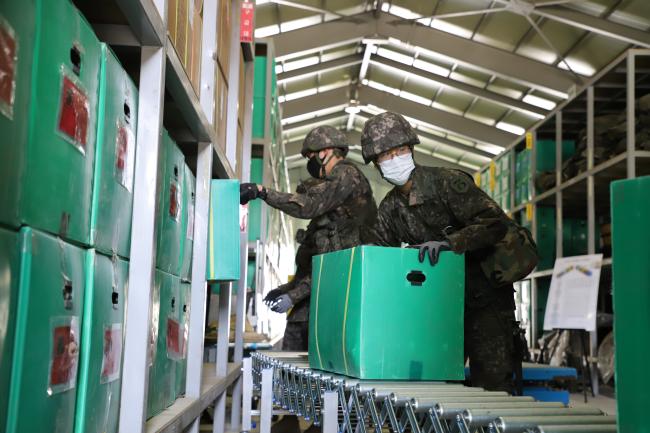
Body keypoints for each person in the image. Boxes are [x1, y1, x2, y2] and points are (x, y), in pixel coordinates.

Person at [360, 112, 538, 393]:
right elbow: (379, 256)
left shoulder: (446, 182)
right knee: (435, 383)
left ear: (412, 150)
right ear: (376, 165)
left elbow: (494, 224)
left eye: (400, 150)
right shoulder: (390, 208)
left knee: (492, 386)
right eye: (385, 155)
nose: (395, 158)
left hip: (485, 300)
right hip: (437, 307)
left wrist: (450, 244)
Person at [240, 125, 377, 341]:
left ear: (327, 151)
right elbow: (312, 260)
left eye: (311, 155)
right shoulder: (333, 207)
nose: (309, 161)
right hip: (320, 292)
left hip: (338, 294)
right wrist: (287, 288)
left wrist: (262, 192)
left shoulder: (346, 174)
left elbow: (308, 208)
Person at [263, 178, 327, 351]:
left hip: (318, 317)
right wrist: (283, 290)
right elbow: (302, 275)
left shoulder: (330, 232)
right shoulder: (313, 229)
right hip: (299, 316)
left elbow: (322, 275)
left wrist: (292, 296)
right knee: (290, 373)